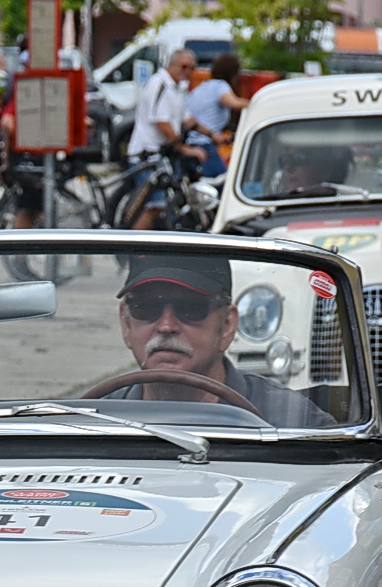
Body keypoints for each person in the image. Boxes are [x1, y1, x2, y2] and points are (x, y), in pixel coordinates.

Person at [107, 255, 331, 428]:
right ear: (126, 323)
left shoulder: (290, 422)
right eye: (145, 308)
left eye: (191, 308)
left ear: (227, 325)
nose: (166, 326)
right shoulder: (96, 420)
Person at [125, 48, 217, 226]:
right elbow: (162, 123)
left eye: (192, 67)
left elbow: (188, 120)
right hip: (147, 155)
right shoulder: (160, 84)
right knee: (154, 207)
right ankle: (132, 251)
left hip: (161, 157)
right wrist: (184, 148)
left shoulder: (175, 88)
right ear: (171, 65)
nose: (188, 72)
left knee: (165, 205)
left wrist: (215, 136)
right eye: (184, 67)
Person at [183, 53, 246, 176]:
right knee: (221, 185)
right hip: (204, 145)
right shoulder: (220, 86)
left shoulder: (203, 87)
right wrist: (256, 103)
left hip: (189, 144)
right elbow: (233, 103)